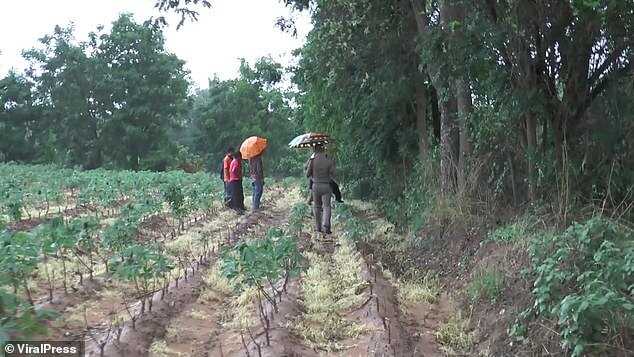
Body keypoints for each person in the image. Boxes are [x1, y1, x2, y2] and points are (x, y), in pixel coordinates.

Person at [306, 144, 336, 234]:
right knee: (327, 206)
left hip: (316, 186)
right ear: (323, 148)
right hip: (326, 186)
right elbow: (334, 173)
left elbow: (307, 174)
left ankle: (318, 227)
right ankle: (326, 224)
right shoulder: (328, 159)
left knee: (317, 207)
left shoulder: (313, 160)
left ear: (315, 149)